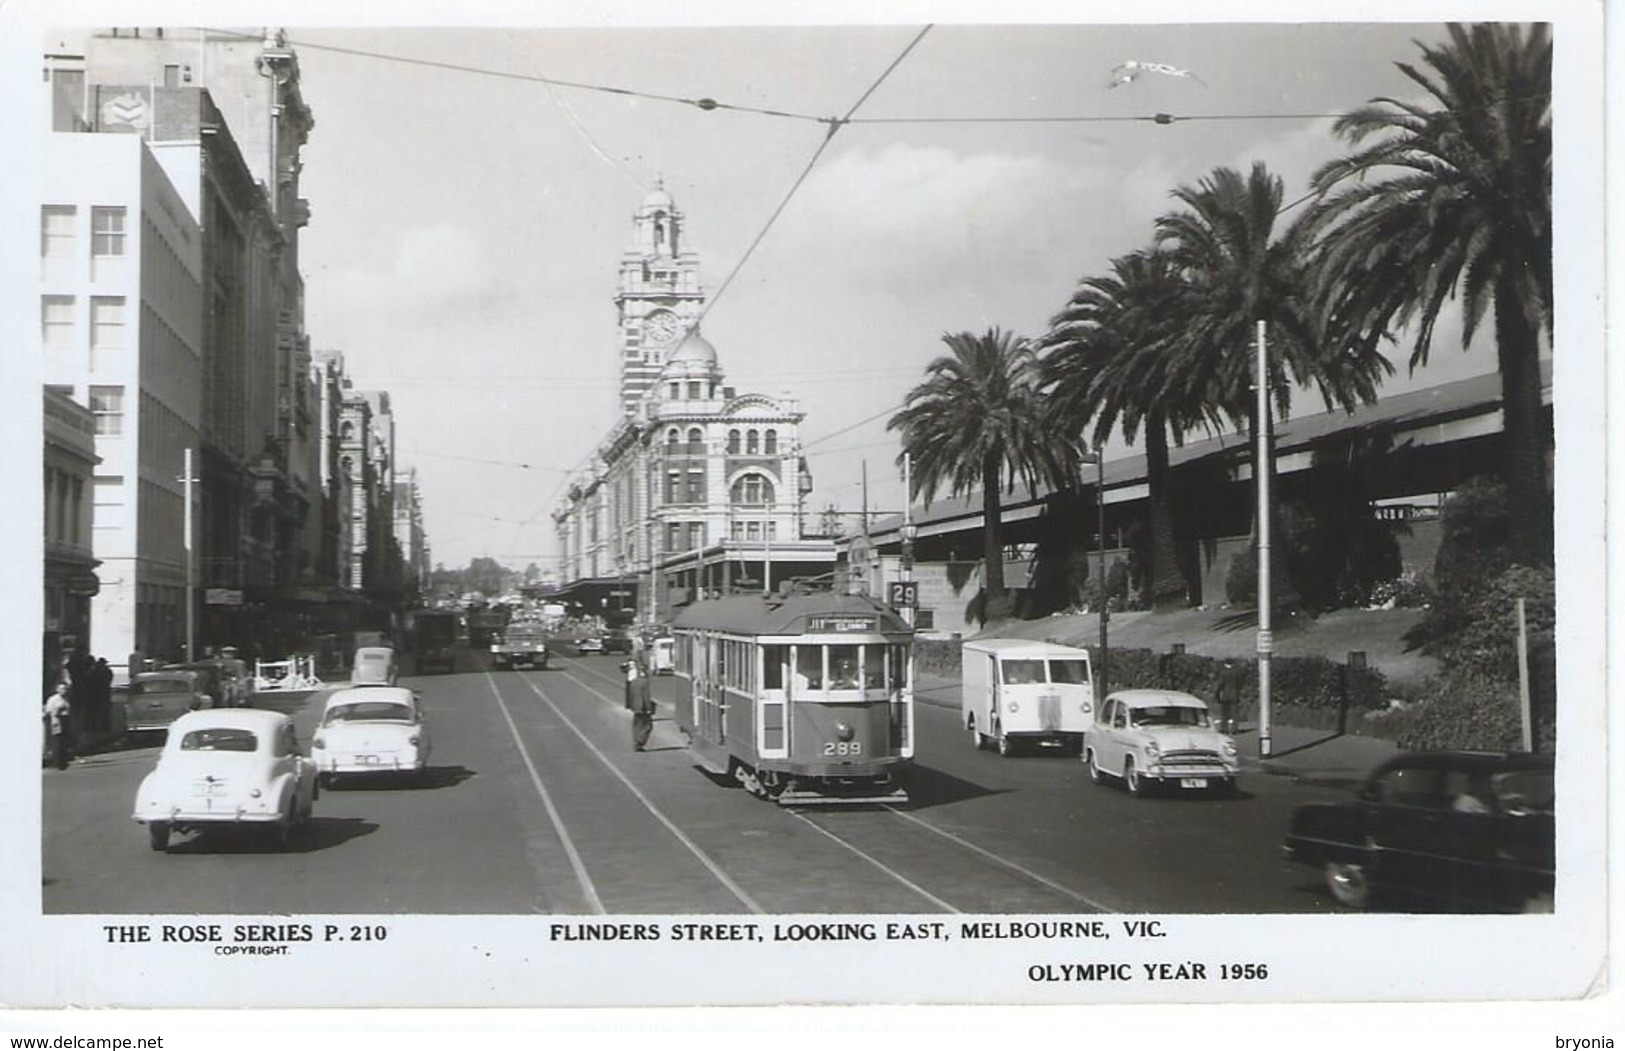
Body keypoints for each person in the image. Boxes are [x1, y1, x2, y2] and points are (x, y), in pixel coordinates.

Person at [624, 660, 654, 751]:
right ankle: (640, 742)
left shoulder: (634, 681)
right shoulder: (644, 682)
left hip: (635, 707)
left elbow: (630, 695)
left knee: (636, 725)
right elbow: (645, 696)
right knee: (648, 726)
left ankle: (636, 742)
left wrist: (630, 705)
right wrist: (649, 708)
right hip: (643, 707)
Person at [42, 682, 72, 770]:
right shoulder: (53, 699)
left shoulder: (65, 699)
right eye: (62, 689)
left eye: (65, 689)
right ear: (57, 689)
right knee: (58, 741)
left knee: (65, 741)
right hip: (57, 720)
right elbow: (49, 711)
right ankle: (58, 762)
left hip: (65, 719)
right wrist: (54, 719)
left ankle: (64, 760)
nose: (64, 690)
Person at [1213, 658, 1246, 735]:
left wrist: (1217, 694)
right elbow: (1240, 683)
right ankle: (1234, 729)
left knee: (1224, 712)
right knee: (1234, 713)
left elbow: (1220, 684)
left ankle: (1224, 728)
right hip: (1235, 693)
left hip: (1225, 694)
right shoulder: (1237, 671)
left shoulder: (1223, 672)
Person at [87, 657, 114, 732]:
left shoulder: (94, 671)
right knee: (105, 712)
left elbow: (91, 682)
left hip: (96, 693)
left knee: (95, 712)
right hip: (104, 693)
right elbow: (109, 679)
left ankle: (95, 728)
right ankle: (106, 728)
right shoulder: (107, 671)